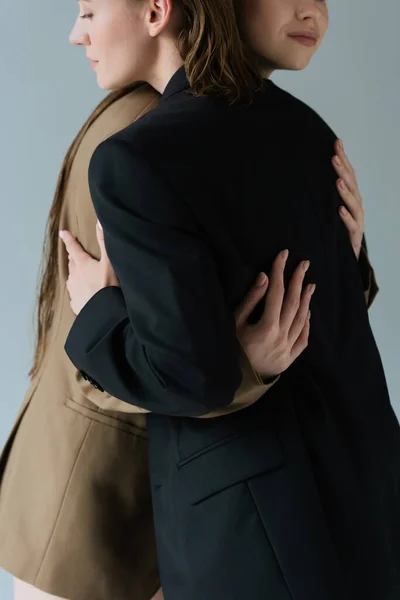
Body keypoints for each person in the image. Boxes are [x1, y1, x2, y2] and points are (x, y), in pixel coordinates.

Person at [0, 2, 379, 600]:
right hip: (103, 511)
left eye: (92, 10)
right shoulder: (147, 133)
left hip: (216, 514)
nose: (313, 12)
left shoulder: (271, 129)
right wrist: (243, 362)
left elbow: (280, 323)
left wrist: (343, 259)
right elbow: (114, 355)